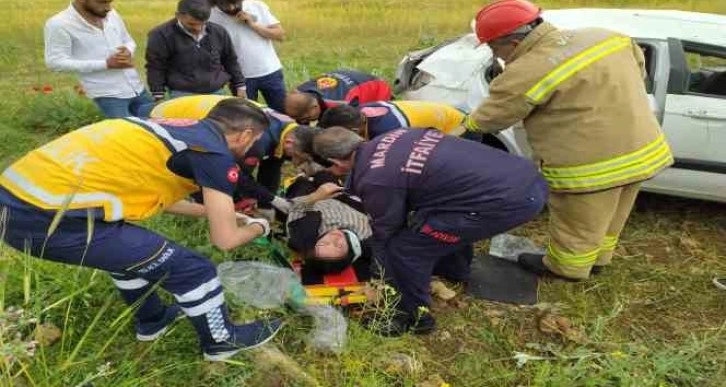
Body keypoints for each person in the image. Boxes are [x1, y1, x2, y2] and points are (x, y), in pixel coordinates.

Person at [0, 99, 283, 361]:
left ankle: (153, 319)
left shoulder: (167, 129)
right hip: (48, 219)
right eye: (255, 142)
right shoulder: (213, 153)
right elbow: (225, 240)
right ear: (246, 135)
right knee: (194, 269)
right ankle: (222, 341)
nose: (252, 148)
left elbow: (162, 197)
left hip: (17, 201)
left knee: (129, 258)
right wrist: (259, 226)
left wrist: (223, 213)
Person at [459, 0, 674, 280]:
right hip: (642, 148)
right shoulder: (606, 37)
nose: (494, 54)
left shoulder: (525, 71)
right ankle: (599, 259)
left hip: (592, 164)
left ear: (511, 43)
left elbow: (493, 116)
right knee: (613, 211)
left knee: (579, 220)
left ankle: (567, 269)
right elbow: (639, 69)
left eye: (492, 47)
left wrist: (466, 125)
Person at [313, 127, 547, 336]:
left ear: (335, 161)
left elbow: (388, 229)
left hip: (507, 201)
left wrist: (380, 269)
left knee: (405, 250)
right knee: (429, 223)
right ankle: (455, 270)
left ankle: (414, 317)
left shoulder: (376, 179)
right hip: (523, 176)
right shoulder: (396, 135)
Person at [149, 94, 299, 215]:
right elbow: (235, 176)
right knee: (201, 166)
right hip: (167, 115)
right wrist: (270, 200)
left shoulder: (286, 129)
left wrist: (265, 202)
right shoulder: (253, 143)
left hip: (203, 111)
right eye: (299, 159)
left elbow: (267, 166)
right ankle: (199, 199)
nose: (298, 165)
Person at [44, 0, 153, 118]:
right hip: (108, 95)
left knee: (159, 128)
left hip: (137, 87)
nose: (109, 8)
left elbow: (128, 40)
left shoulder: (111, 15)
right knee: (127, 133)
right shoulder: (59, 24)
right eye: (103, 2)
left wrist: (128, 51)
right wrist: (105, 64)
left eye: (110, 2)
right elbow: (55, 62)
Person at [145, 0, 246, 102]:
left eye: (202, 24)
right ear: (178, 15)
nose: (198, 28)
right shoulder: (160, 35)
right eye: (192, 24)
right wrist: (158, 95)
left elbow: (230, 60)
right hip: (182, 95)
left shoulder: (219, 32)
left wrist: (240, 85)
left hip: (216, 92)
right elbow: (156, 67)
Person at [210, 0, 287, 112]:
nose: (232, 8)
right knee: (247, 117)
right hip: (239, 79)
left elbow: (280, 35)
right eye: (226, 5)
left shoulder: (256, 5)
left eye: (235, 4)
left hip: (270, 72)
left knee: (282, 113)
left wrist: (253, 24)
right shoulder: (210, 15)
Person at [284, 69, 393, 124]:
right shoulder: (300, 91)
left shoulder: (341, 104)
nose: (304, 122)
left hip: (376, 88)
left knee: (370, 122)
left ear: (315, 107)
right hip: (346, 77)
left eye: (306, 119)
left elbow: (353, 126)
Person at [319, 101, 467, 139]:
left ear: (354, 130)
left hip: (459, 128)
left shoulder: (389, 130)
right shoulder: (359, 112)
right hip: (446, 114)